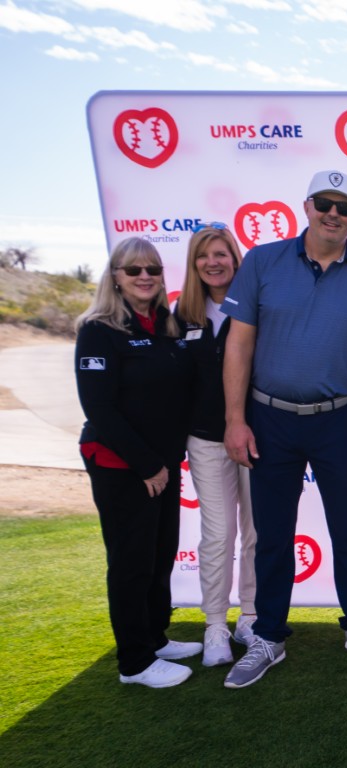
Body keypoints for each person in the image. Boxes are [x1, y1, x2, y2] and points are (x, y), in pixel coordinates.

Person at [221, 170, 347, 688]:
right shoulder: (262, 261)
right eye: (324, 203)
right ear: (307, 206)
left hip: (340, 420)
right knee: (272, 534)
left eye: (344, 207)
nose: (333, 214)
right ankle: (268, 634)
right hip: (269, 418)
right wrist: (235, 419)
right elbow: (238, 344)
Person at [75, 237, 200, 688]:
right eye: (133, 270)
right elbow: (100, 409)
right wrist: (146, 465)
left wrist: (162, 463)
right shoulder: (98, 329)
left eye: (152, 268)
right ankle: (135, 662)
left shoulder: (166, 325)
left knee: (160, 554)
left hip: (162, 465)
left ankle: (155, 637)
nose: (144, 276)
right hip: (122, 466)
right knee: (131, 562)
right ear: (116, 277)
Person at [175, 223, 258, 667]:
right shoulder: (180, 316)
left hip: (258, 437)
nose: (213, 262)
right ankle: (214, 625)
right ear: (194, 264)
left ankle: (251, 617)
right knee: (218, 532)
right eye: (204, 255)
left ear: (235, 259)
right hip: (206, 440)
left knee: (257, 532)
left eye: (221, 254)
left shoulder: (256, 305)